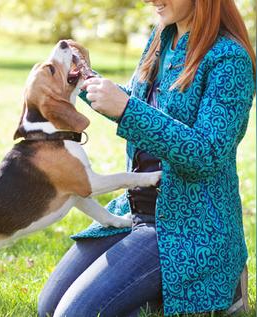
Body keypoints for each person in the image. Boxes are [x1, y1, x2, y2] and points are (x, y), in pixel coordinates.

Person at [37, 0, 256, 316]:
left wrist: (126, 109)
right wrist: (85, 76)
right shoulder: (162, 39)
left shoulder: (230, 59)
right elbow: (143, 107)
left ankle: (218, 280)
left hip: (185, 228)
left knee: (73, 314)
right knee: (48, 307)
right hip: (133, 212)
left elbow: (207, 154)